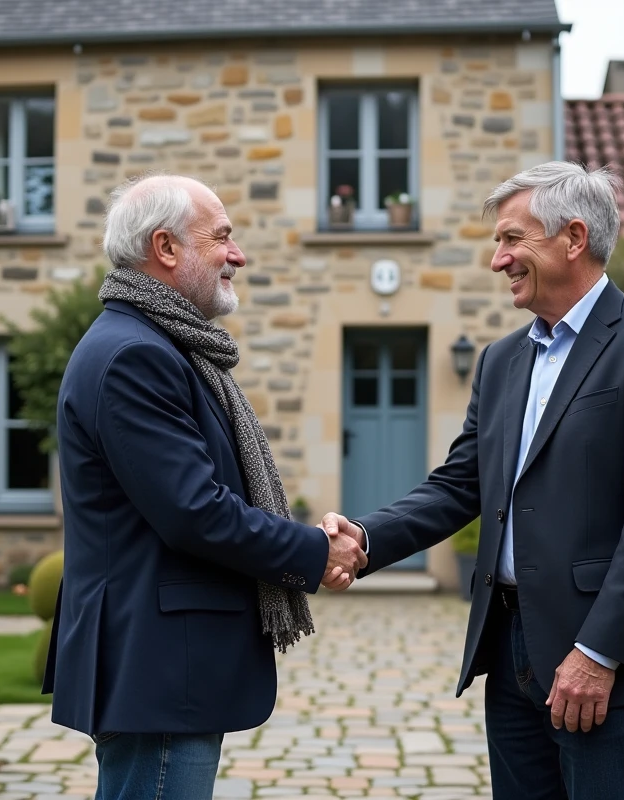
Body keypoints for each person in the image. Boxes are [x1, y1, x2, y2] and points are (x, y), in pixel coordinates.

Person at [323, 162, 624, 799]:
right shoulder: (501, 360)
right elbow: (458, 485)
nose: (497, 259)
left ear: (574, 238)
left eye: (511, 239)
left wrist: (598, 652)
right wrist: (366, 538)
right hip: (507, 651)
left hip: (600, 661)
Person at [44, 172, 367, 800]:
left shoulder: (159, 346)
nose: (237, 254)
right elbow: (195, 512)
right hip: (160, 668)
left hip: (163, 668)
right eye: (221, 238)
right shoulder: (135, 356)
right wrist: (312, 552)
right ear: (165, 249)